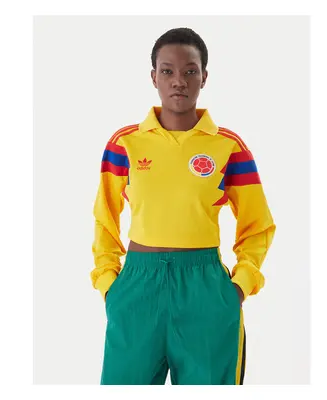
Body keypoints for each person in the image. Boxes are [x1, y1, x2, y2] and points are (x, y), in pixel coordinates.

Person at [90, 27, 276, 385]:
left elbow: (258, 225)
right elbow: (105, 218)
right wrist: (109, 283)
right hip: (137, 287)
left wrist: (239, 286)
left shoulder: (229, 147)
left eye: (190, 71)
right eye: (168, 71)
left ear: (204, 77)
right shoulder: (125, 144)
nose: (179, 81)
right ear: (154, 77)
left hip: (205, 289)